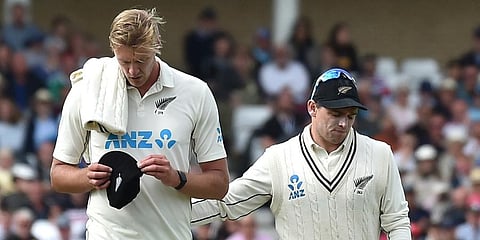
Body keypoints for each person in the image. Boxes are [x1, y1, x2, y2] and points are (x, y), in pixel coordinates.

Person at [50, 8, 229, 239]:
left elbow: (219, 183)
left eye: (141, 60)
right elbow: (58, 175)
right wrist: (87, 177)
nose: (133, 71)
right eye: (124, 62)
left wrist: (177, 178)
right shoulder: (86, 90)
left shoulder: (195, 92)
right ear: (114, 50)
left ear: (156, 46)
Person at [192, 68, 411, 239]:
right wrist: (165, 213)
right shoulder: (279, 158)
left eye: (351, 115)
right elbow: (228, 202)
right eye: (335, 114)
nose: (344, 123)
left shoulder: (379, 154)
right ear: (312, 108)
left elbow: (397, 221)